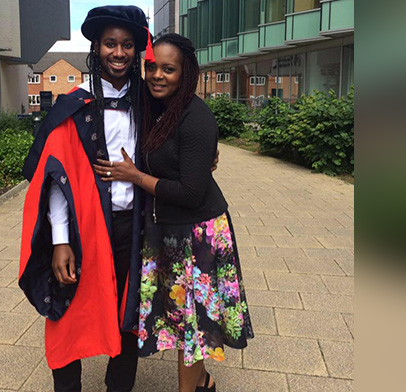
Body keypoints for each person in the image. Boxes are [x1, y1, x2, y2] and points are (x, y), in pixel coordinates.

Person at [93, 33, 254, 392]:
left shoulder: (195, 117)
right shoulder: (155, 110)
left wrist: (135, 176)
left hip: (198, 236)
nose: (157, 75)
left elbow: (191, 192)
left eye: (169, 69)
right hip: (167, 231)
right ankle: (204, 383)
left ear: (186, 73)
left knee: (192, 328)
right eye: (152, 67)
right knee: (180, 318)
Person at [18, 6, 153, 392]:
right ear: (97, 47)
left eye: (128, 44)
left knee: (128, 312)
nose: (119, 52)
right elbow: (56, 180)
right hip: (84, 228)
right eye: (110, 43)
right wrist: (60, 239)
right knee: (69, 310)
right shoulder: (74, 106)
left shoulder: (149, 103)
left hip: (135, 227)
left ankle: (119, 386)